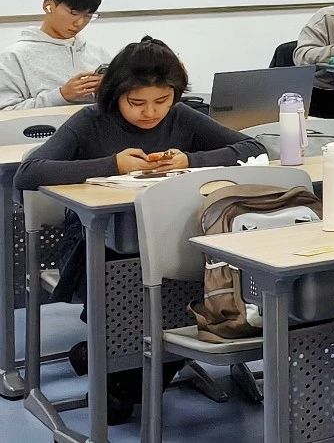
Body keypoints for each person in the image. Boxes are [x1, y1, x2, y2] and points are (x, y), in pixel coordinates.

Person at [15, 37, 265, 423]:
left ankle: (113, 366)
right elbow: (29, 173)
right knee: (134, 289)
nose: (150, 112)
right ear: (116, 94)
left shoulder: (181, 117)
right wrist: (113, 165)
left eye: (162, 100)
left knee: (182, 286)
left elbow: (252, 148)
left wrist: (190, 159)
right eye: (137, 103)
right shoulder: (90, 122)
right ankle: (114, 360)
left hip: (172, 241)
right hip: (95, 244)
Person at [0, 0, 113, 110]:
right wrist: (61, 96)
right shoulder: (13, 57)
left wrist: (108, 92)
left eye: (88, 16)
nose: (80, 23)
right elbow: (6, 112)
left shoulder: (98, 53)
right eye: (74, 13)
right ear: (48, 6)